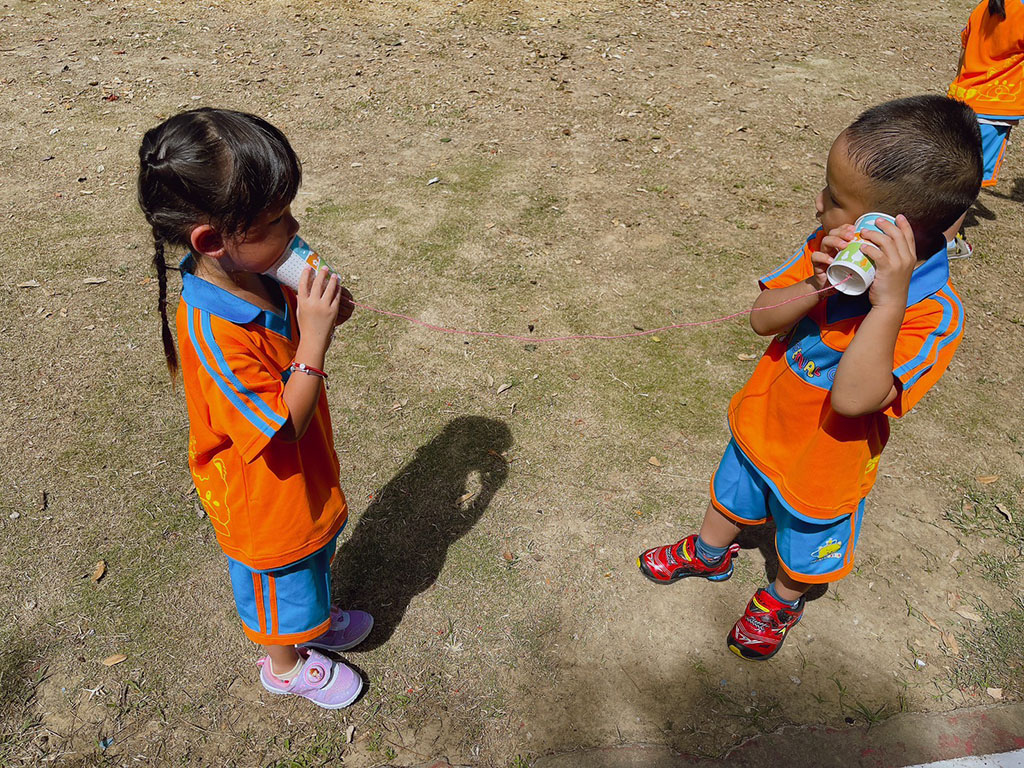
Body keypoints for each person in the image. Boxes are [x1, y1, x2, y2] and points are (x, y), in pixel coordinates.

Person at [637, 96, 981, 661]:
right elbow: (761, 319)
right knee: (732, 491)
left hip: (825, 463)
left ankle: (783, 599)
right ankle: (709, 552)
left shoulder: (932, 314)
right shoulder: (823, 253)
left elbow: (853, 400)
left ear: (886, 231)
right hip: (764, 420)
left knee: (806, 538)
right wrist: (818, 283)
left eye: (837, 199)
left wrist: (887, 305)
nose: (818, 202)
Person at [138, 108, 372, 708]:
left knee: (314, 551)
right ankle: (284, 663)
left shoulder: (264, 264)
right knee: (278, 577)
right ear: (211, 241)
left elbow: (306, 305)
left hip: (302, 469)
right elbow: (284, 426)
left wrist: (326, 306)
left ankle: (313, 620)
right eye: (276, 220)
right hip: (261, 493)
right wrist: (315, 340)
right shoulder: (214, 332)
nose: (294, 228)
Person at [946, 0, 1024, 257]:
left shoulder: (984, 7)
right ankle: (946, 242)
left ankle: (926, 227)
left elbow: (964, 52)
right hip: (993, 112)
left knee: (950, 169)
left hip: (961, 99)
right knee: (968, 178)